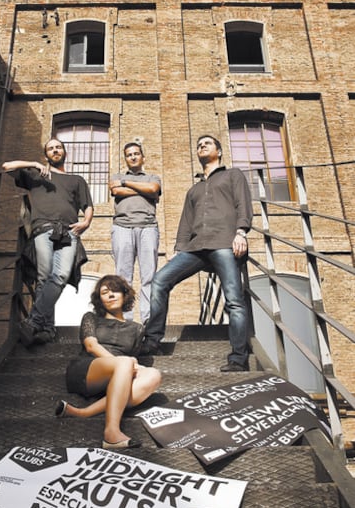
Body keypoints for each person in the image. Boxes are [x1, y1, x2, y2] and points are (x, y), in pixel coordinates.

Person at [140, 135, 253, 371]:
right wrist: (178, 250)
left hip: (224, 243)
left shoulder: (233, 175)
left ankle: (239, 359)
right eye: (199, 144)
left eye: (207, 143)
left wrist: (241, 232)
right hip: (195, 248)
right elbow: (185, 223)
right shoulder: (194, 189)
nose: (202, 146)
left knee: (234, 300)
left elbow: (243, 204)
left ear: (219, 152)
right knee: (160, 281)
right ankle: (152, 342)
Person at [2, 138, 93, 347]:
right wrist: (33, 164)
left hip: (69, 231)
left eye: (58, 147)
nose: (55, 150)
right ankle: (47, 329)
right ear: (46, 155)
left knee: (59, 276)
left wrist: (86, 222)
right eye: (51, 148)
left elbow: (87, 205)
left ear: (64, 152)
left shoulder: (76, 179)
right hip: (43, 229)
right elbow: (7, 167)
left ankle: (33, 322)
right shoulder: (35, 175)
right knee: (44, 278)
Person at [54, 275, 161, 449]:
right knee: (125, 362)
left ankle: (85, 412)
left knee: (154, 375)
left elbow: (132, 357)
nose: (110, 295)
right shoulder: (91, 318)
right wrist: (124, 363)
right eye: (105, 292)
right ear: (99, 299)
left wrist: (132, 365)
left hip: (118, 374)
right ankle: (111, 433)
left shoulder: (137, 329)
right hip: (88, 368)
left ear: (124, 295)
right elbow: (90, 345)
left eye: (115, 290)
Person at [109, 140, 161, 323]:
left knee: (149, 276)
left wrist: (126, 185)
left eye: (136, 153)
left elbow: (154, 189)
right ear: (125, 159)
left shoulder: (153, 177)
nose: (132, 156)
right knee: (123, 277)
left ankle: (147, 320)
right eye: (129, 154)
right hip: (122, 226)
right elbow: (115, 190)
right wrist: (145, 192)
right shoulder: (117, 176)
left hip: (148, 227)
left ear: (143, 157)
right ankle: (126, 320)